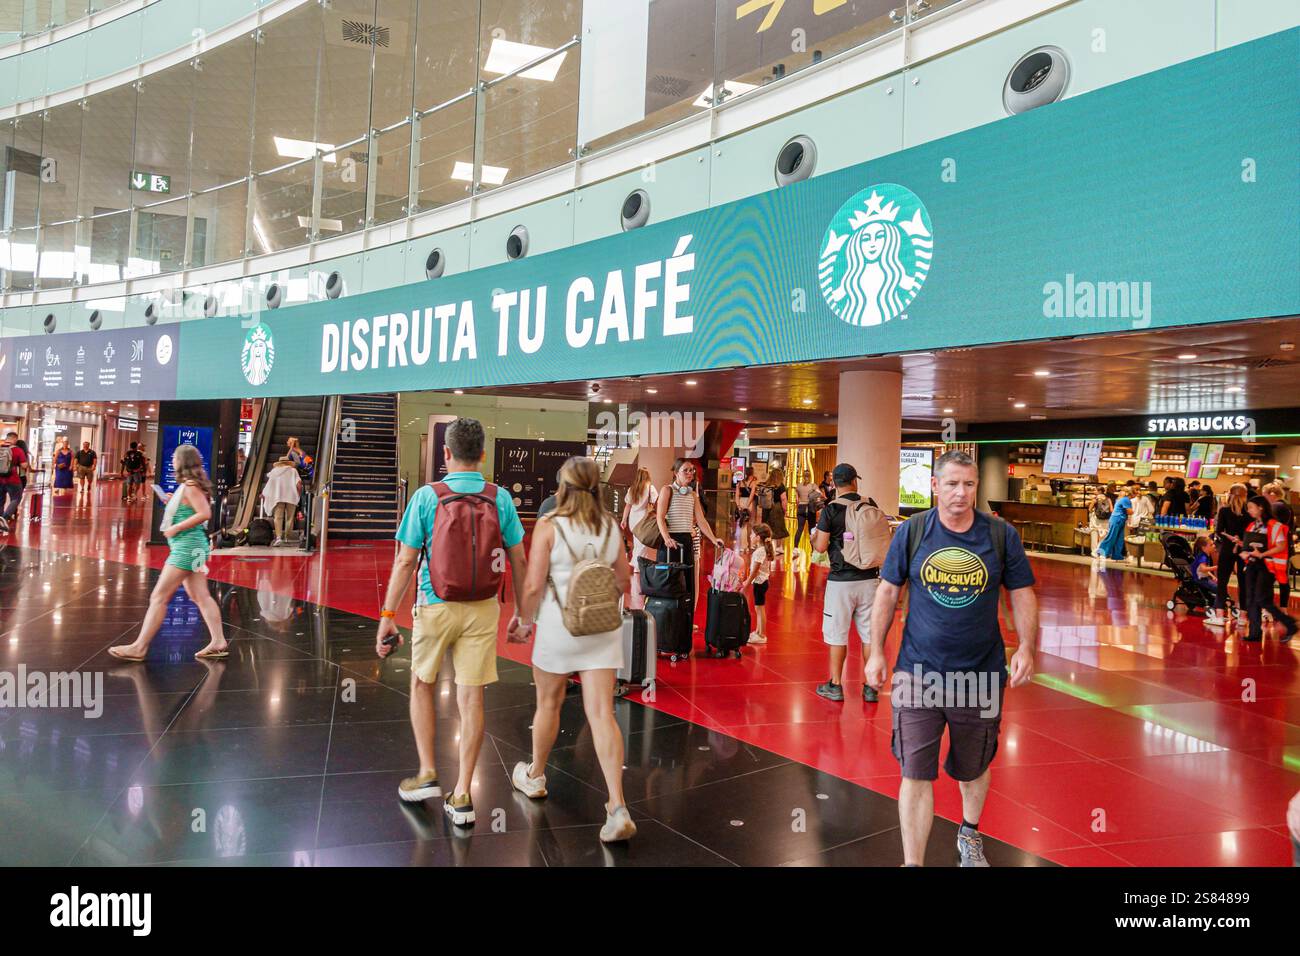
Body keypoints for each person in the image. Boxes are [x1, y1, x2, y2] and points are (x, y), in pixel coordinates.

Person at [867, 449, 1038, 867]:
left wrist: (1028, 646)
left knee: (973, 768)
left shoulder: (1000, 535)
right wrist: (875, 652)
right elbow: (888, 591)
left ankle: (970, 833)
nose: (961, 493)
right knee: (914, 771)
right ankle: (913, 863)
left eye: (969, 484)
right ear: (934, 486)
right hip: (917, 671)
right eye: (952, 484)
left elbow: (1021, 593)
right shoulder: (913, 532)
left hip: (981, 674)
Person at [376, 417, 528, 824]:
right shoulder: (500, 498)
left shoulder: (427, 497)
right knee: (471, 695)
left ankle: (427, 772)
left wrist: (387, 615)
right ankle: (462, 795)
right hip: (483, 607)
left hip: (434, 604)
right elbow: (518, 557)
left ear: (445, 453)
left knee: (422, 684)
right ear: (483, 454)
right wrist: (523, 612)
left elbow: (406, 559)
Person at [507, 456, 636, 843]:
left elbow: (532, 586)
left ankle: (535, 776)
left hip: (558, 628)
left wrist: (523, 621)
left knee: (549, 704)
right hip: (601, 630)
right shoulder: (610, 525)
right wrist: (597, 602)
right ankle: (616, 806)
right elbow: (625, 579)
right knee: (601, 713)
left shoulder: (549, 526)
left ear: (562, 486)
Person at [109, 444, 229, 662]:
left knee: (159, 596)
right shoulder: (188, 487)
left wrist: (177, 527)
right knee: (200, 596)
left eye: (175, 457)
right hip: (194, 548)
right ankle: (218, 641)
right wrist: (173, 502)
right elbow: (194, 509)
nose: (172, 460)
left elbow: (204, 513)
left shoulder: (191, 486)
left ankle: (139, 647)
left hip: (187, 548)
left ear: (183, 461)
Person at [811, 463, 882, 703]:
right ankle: (871, 687)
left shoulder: (831, 510)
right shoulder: (870, 504)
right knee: (869, 635)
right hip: (870, 579)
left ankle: (835, 685)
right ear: (854, 481)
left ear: (834, 484)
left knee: (837, 635)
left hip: (841, 581)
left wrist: (815, 537)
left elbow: (820, 546)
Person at [653, 457, 724, 602]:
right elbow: (660, 517)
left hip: (686, 540)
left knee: (688, 582)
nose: (690, 473)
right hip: (671, 541)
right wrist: (666, 537)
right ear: (676, 473)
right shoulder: (667, 490)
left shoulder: (692, 494)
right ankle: (669, 618)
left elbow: (701, 520)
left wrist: (713, 539)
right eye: (685, 470)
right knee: (670, 582)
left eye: (691, 470)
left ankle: (686, 620)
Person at [1239, 495, 1297, 642]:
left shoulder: (1275, 525)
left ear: (1261, 507)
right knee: (1251, 598)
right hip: (1252, 564)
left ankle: (1290, 624)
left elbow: (1281, 546)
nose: (1249, 510)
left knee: (1262, 598)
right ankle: (1254, 632)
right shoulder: (1252, 525)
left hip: (1267, 566)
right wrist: (1241, 546)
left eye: (1251, 507)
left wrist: (1262, 554)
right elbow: (1250, 544)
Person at [1206, 483, 1249, 627]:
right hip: (1244, 549)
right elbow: (1251, 532)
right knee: (1243, 583)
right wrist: (1241, 540)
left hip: (1227, 549)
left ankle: (1219, 615)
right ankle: (1243, 616)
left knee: (1222, 581)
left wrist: (1230, 538)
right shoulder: (1249, 511)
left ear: (1229, 494)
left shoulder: (1224, 510)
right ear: (1245, 495)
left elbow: (1218, 531)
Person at [619, 467, 658, 610]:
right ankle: (639, 565)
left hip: (633, 519)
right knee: (643, 544)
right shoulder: (650, 488)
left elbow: (627, 506)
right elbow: (656, 502)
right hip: (644, 518)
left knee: (638, 542)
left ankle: (636, 564)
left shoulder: (633, 488)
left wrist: (624, 519)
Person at [1263, 482, 1294, 609]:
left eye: (1264, 495)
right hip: (1285, 546)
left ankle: (1268, 609)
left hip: (1275, 547)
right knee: (1282, 579)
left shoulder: (1275, 506)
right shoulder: (1287, 506)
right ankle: (1283, 608)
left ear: (1272, 494)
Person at [260, 457, 302, 546]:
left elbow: (269, 484)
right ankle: (287, 537)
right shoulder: (293, 471)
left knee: (278, 517)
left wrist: (264, 493)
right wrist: (298, 494)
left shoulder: (275, 471)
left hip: (278, 496)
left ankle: (279, 538)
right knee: (289, 518)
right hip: (291, 496)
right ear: (288, 463)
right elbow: (299, 484)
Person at [743, 522, 773, 645]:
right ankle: (758, 631)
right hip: (761, 582)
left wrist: (746, 583)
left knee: (760, 609)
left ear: (758, 537)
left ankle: (762, 634)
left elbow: (755, 571)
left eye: (752, 534)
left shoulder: (759, 552)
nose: (750, 536)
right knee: (758, 608)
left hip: (760, 583)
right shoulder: (761, 550)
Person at [1096, 483, 1132, 562]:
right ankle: (1101, 552)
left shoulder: (1120, 499)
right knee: (1111, 537)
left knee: (1119, 538)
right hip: (1117, 520)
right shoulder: (1125, 500)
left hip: (1120, 520)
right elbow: (1130, 511)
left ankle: (1117, 555)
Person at [0, 432, 28, 532]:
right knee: (16, 497)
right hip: (12, 479)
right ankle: (5, 517)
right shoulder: (17, 450)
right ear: (15, 439)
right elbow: (24, 465)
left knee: (1, 500)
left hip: (0, 479)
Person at [761, 467, 790, 557]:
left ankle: (767, 546)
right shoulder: (780, 486)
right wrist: (785, 510)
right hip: (776, 508)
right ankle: (779, 547)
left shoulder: (766, 484)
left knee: (767, 528)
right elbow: (784, 499)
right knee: (778, 527)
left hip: (766, 508)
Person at [733, 465, 759, 552]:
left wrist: (738, 505)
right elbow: (752, 495)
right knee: (750, 524)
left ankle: (745, 545)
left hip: (741, 502)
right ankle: (749, 545)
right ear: (752, 473)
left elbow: (736, 494)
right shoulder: (753, 483)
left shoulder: (740, 482)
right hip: (750, 504)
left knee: (743, 524)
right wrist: (748, 505)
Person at [793, 473, 819, 549]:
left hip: (801, 507)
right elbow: (819, 494)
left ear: (803, 476)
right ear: (810, 477)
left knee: (800, 529)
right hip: (810, 507)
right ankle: (813, 549)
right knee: (812, 529)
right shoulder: (813, 485)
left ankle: (795, 548)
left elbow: (797, 499)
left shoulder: (798, 486)